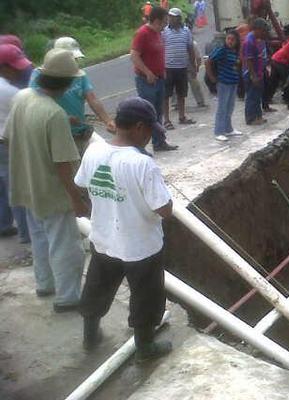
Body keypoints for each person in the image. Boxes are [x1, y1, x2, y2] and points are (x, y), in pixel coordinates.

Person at [76, 97, 173, 361]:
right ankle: (145, 348)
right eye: (150, 131)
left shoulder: (93, 151)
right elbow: (164, 209)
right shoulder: (142, 164)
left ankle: (90, 336)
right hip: (141, 246)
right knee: (146, 297)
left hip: (104, 240)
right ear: (140, 127)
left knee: (97, 288)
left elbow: (83, 183)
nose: (150, 137)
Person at [3, 49, 87, 312]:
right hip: (51, 192)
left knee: (40, 239)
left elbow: (8, 136)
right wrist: (77, 199)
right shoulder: (54, 114)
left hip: (26, 185)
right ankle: (68, 297)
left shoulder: (22, 97)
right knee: (66, 246)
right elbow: (63, 164)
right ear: (67, 83)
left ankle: (45, 284)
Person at [29, 37, 116, 155]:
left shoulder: (79, 75)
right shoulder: (40, 76)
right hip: (57, 134)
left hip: (79, 131)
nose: (74, 62)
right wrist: (63, 118)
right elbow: (37, 105)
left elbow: (92, 99)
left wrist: (107, 120)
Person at [131, 6, 178, 151]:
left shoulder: (158, 33)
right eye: (164, 22)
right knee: (146, 114)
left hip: (159, 78)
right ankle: (140, 146)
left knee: (158, 113)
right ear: (156, 20)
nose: (165, 26)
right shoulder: (143, 33)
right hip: (147, 80)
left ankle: (159, 142)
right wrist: (147, 72)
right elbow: (134, 55)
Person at [0, 44, 31, 242]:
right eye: (14, 67)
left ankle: (4, 224)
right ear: (2, 67)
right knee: (16, 185)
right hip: (5, 142)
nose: (19, 70)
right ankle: (26, 232)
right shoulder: (9, 92)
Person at [162, 7, 196, 130]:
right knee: (166, 95)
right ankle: (166, 120)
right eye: (169, 16)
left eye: (173, 17)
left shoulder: (186, 31)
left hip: (182, 67)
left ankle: (182, 116)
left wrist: (193, 65)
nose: (170, 19)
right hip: (168, 67)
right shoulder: (164, 32)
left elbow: (190, 48)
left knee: (182, 93)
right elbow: (161, 49)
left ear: (179, 19)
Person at [207, 31, 241, 142]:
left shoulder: (234, 51)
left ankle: (228, 129)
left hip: (232, 82)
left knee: (229, 107)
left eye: (233, 40)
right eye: (228, 39)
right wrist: (211, 76)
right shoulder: (222, 50)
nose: (230, 41)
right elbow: (209, 60)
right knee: (222, 107)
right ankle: (219, 131)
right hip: (224, 83)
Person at [242, 18, 269, 126]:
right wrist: (253, 75)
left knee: (257, 96)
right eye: (263, 31)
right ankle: (251, 118)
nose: (264, 33)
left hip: (258, 72)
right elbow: (249, 60)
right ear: (257, 29)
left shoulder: (257, 39)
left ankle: (258, 116)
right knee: (252, 96)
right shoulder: (249, 41)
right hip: (251, 74)